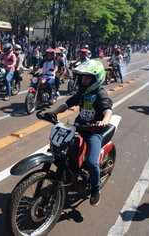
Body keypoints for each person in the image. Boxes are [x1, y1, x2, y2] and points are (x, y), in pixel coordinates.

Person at [49, 60, 112, 206]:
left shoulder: (100, 93)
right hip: (79, 128)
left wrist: (104, 120)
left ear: (96, 79)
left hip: (94, 132)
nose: (83, 81)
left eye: (87, 78)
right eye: (82, 78)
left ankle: (96, 189)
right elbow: (68, 103)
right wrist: (55, 111)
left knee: (91, 162)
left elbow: (107, 110)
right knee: (60, 151)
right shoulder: (83, 92)